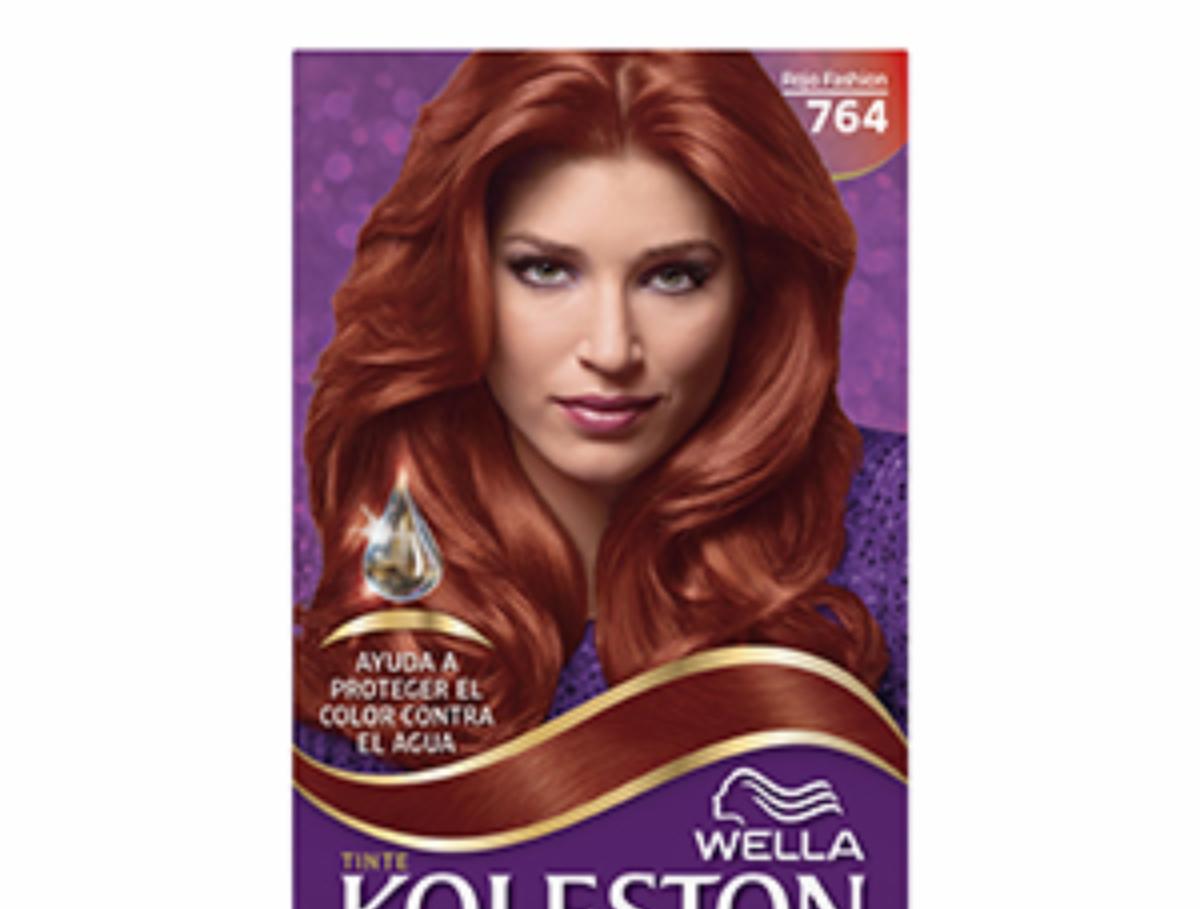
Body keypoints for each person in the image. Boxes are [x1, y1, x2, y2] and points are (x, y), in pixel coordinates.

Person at [295, 51, 904, 767]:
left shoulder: (898, 524)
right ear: (456, 282)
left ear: (756, 294)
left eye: (673, 277)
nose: (612, 350)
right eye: (546, 270)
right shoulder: (375, 576)